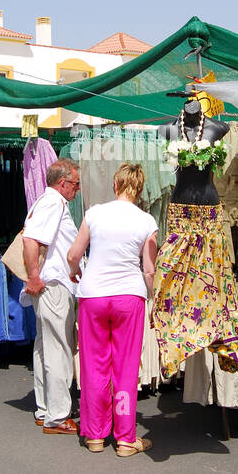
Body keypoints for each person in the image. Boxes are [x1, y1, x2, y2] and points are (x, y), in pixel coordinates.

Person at [67, 164, 159, 456]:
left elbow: (74, 254)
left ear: (116, 185)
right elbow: (148, 268)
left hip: (93, 295)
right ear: (140, 189)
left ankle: (94, 435)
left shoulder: (94, 213)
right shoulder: (147, 222)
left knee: (94, 365)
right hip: (128, 297)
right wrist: (153, 294)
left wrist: (74, 272)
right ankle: (125, 438)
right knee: (125, 367)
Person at [23, 158, 81, 435]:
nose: (78, 189)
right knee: (58, 348)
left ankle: (46, 409)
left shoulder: (47, 202)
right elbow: (31, 239)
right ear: (63, 183)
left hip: (50, 284)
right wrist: (34, 275)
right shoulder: (53, 203)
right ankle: (57, 415)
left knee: (46, 347)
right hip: (54, 285)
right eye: (76, 184)